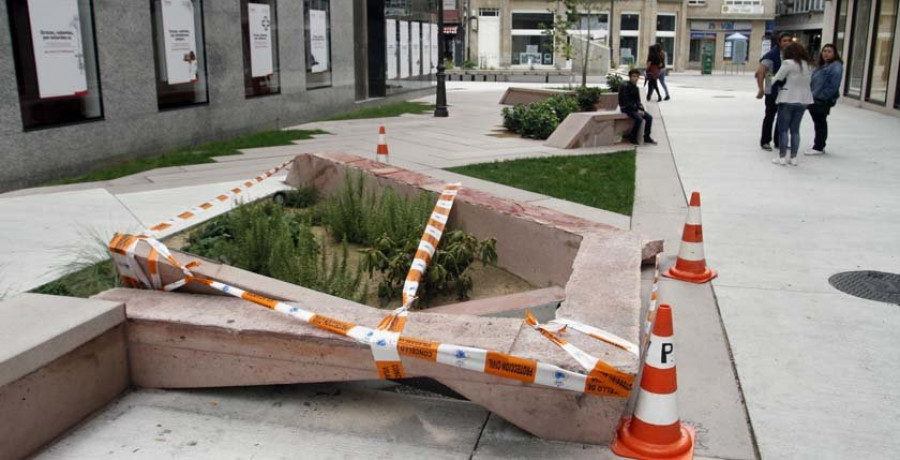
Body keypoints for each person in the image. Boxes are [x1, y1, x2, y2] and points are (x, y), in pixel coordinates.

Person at [770, 42, 814, 166]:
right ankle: (794, 157)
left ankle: (782, 157)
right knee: (795, 130)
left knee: (783, 130)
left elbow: (777, 78)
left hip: (787, 98)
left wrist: (769, 79)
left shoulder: (788, 63)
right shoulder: (808, 65)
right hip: (803, 100)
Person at [756, 33, 794, 151]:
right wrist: (761, 88)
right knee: (770, 116)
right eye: (784, 40)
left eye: (789, 40)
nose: (787, 43)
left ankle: (779, 141)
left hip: (786, 90)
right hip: (772, 91)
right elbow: (760, 72)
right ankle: (765, 141)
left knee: (783, 117)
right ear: (779, 42)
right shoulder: (771, 55)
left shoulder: (792, 56)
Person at [806, 44, 843, 155]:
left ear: (834, 53)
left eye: (829, 51)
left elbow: (833, 85)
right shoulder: (823, 65)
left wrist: (823, 97)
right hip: (815, 97)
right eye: (824, 51)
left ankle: (819, 146)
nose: (826, 53)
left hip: (821, 100)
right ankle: (819, 145)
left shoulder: (835, 66)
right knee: (818, 122)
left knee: (820, 123)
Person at [619, 69, 657, 145]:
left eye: (637, 76)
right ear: (629, 77)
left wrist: (641, 109)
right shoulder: (625, 86)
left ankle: (646, 137)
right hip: (626, 108)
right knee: (639, 119)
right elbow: (626, 102)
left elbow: (638, 101)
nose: (635, 78)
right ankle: (632, 138)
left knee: (649, 117)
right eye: (633, 76)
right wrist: (636, 110)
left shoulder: (636, 88)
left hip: (634, 108)